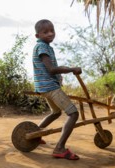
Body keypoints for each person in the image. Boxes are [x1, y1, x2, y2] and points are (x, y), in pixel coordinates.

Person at [32, 19, 81, 160]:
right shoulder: (42, 47)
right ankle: (59, 148)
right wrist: (71, 69)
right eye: (45, 32)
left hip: (45, 86)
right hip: (49, 87)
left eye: (52, 30)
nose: (50, 34)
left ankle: (36, 135)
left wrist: (60, 77)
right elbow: (51, 69)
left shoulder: (45, 47)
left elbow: (51, 69)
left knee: (55, 113)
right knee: (73, 114)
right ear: (37, 35)